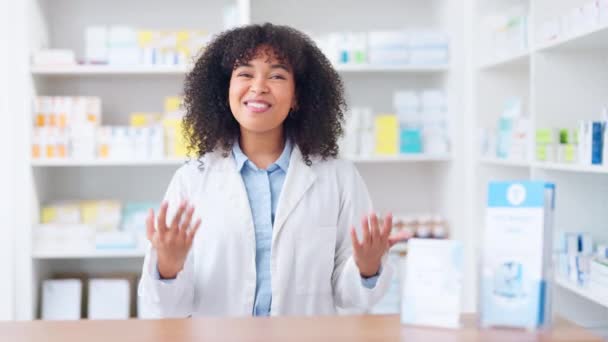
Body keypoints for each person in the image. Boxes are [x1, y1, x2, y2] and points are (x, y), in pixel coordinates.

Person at [138, 23, 410, 318]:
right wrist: (167, 265)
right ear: (224, 90)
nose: (258, 87)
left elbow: (351, 297)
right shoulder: (192, 179)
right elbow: (168, 307)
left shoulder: (338, 177)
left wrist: (367, 267)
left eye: (277, 75)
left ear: (297, 97)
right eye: (244, 73)